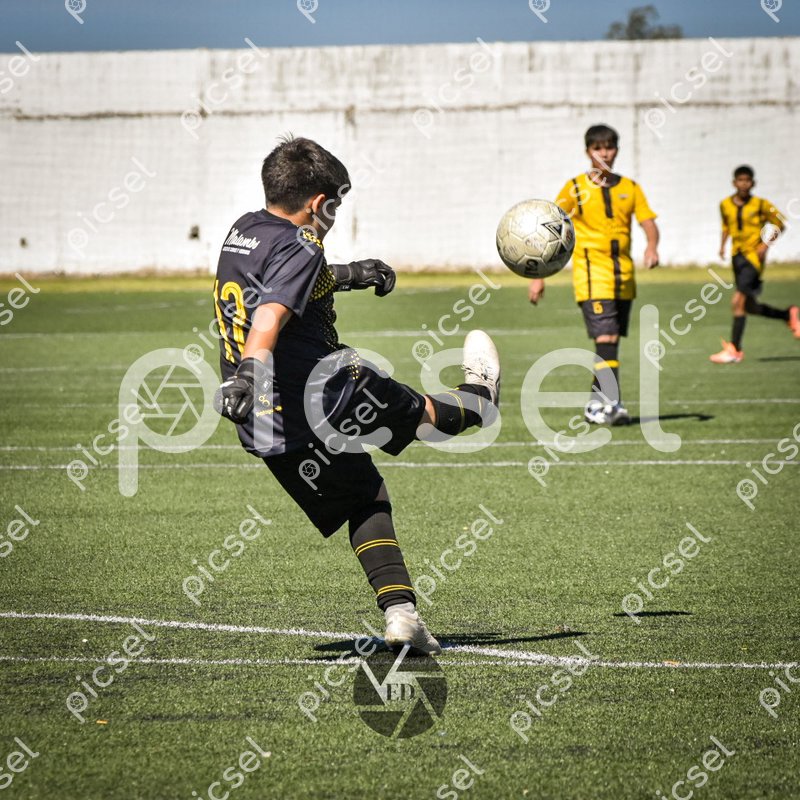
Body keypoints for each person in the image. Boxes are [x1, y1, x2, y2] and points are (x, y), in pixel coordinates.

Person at [212, 136, 500, 656]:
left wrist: (354, 274)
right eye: (336, 206)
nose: (334, 217)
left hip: (267, 423)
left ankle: (402, 617)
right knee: (426, 416)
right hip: (326, 391)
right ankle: (480, 398)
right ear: (319, 204)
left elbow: (282, 283)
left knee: (364, 496)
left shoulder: (244, 231)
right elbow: (270, 315)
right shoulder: (303, 243)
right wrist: (249, 373)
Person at [528, 124, 660, 426]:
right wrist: (539, 275)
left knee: (610, 343)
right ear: (588, 152)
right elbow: (551, 227)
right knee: (606, 337)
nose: (604, 153)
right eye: (598, 148)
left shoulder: (631, 188)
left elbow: (648, 222)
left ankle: (595, 404)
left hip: (624, 278)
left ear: (617, 150)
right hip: (591, 277)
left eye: (609, 147)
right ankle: (610, 403)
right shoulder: (575, 188)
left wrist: (652, 246)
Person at [710, 165, 799, 363]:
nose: (744, 184)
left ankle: (734, 350)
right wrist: (722, 246)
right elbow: (726, 226)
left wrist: (765, 245)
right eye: (740, 180)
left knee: (738, 302)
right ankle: (787, 315)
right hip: (737, 257)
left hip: (753, 259)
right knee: (750, 307)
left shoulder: (761, 204)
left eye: (747, 180)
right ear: (734, 183)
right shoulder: (724, 204)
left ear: (753, 183)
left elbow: (780, 222)